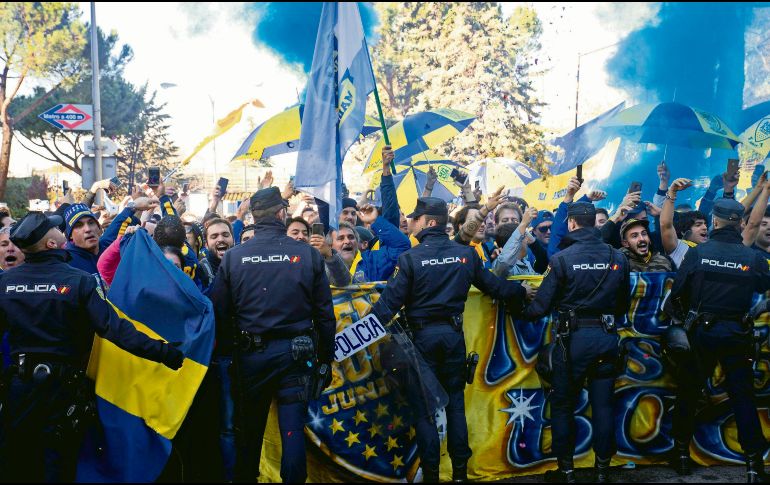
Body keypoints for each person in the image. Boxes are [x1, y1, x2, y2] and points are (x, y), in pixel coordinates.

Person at [0, 212, 184, 482]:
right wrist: (165, 352)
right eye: (56, 228)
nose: (61, 229)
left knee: (18, 464)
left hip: (20, 390)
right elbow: (115, 329)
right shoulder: (79, 281)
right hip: (63, 392)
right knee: (59, 466)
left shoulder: (5, 283)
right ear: (51, 244)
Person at [370, 197, 530, 483]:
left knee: (425, 412)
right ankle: (459, 475)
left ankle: (432, 476)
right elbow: (494, 286)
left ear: (429, 222)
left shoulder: (410, 259)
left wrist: (355, 333)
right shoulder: (465, 254)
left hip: (421, 341)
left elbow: (386, 307)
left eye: (416, 218)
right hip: (453, 338)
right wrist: (522, 292)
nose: (411, 222)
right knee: (456, 407)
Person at [210, 187, 335, 483]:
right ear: (281, 213)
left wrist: (230, 352)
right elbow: (325, 316)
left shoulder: (235, 257)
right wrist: (325, 360)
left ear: (253, 216)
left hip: (252, 358)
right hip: (295, 356)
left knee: (249, 435)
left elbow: (218, 312)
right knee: (292, 432)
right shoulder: (306, 254)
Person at [523, 202, 630, 483]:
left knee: (563, 406)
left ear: (571, 223)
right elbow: (623, 305)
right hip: (606, 338)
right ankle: (602, 470)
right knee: (603, 405)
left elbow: (539, 308)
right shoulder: (617, 257)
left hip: (571, 343)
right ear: (594, 223)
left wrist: (515, 300)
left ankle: (567, 472)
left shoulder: (561, 258)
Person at [664, 199, 770, 482]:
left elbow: (679, 291)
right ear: (740, 223)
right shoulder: (752, 258)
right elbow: (763, 284)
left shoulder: (699, 253)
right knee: (743, 397)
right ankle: (753, 464)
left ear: (715, 220)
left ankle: (681, 455)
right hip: (737, 333)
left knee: (689, 392)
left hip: (702, 333)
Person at [63, 197, 156, 275]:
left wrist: (134, 205)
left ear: (99, 228)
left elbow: (117, 223)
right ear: (70, 235)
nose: (87, 229)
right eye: (79, 226)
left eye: (91, 223)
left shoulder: (106, 245)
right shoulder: (66, 263)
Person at [329, 204, 410, 282]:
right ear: (330, 245)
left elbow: (402, 246)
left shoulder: (371, 261)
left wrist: (375, 221)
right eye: (340, 238)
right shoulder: (323, 265)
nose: (347, 241)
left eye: (351, 237)